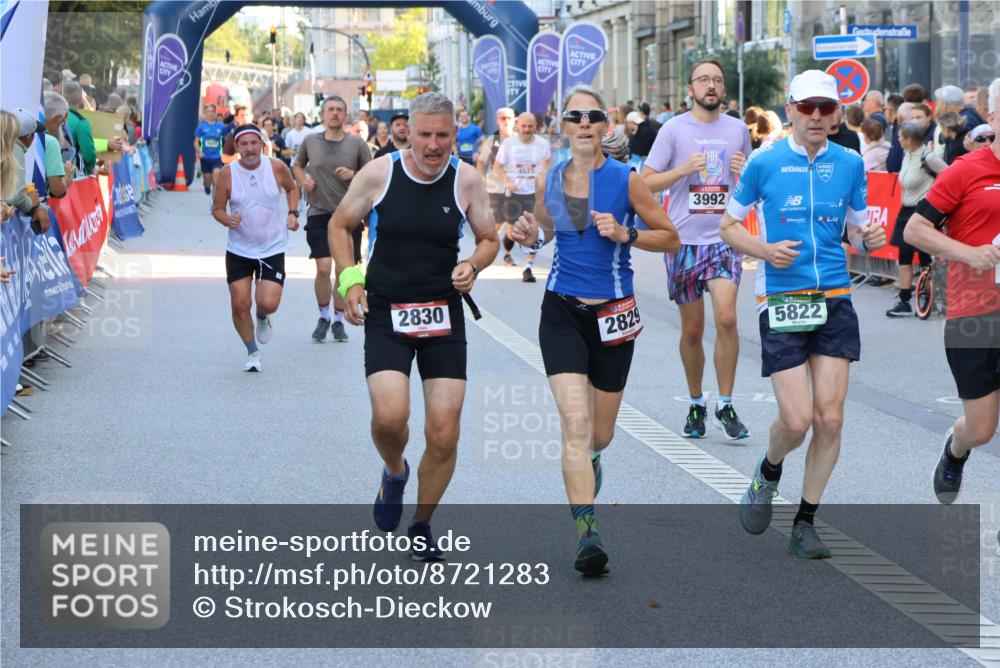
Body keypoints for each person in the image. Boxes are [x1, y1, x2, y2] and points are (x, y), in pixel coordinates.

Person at [510, 84, 680, 574]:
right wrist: (529, 235)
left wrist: (626, 233)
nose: (584, 124)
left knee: (600, 435)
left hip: (613, 314)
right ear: (563, 127)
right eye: (574, 117)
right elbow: (544, 229)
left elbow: (669, 237)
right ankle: (588, 532)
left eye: (593, 116)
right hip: (562, 309)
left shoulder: (626, 180)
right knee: (576, 426)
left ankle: (593, 460)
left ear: (606, 126)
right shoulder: (554, 175)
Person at [719, 70, 886, 559]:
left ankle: (805, 522)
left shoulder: (851, 163)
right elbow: (729, 228)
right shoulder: (763, 162)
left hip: (835, 297)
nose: (816, 116)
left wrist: (868, 240)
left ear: (837, 115)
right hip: (782, 298)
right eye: (807, 107)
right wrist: (766, 250)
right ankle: (769, 470)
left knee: (830, 419)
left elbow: (857, 231)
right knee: (796, 422)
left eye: (826, 108)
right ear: (789, 109)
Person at [330, 92, 499, 561]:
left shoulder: (466, 180)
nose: (433, 145)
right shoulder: (381, 173)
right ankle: (394, 470)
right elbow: (340, 226)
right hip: (387, 310)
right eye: (424, 134)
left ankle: (422, 523)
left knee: (444, 431)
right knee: (390, 419)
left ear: (454, 134)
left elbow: (488, 239)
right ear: (408, 131)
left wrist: (474, 265)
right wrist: (350, 281)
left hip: (443, 311)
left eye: (443, 135)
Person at [642, 59, 753, 440]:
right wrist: (683, 170)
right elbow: (647, 180)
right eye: (703, 80)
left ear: (724, 90)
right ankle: (696, 403)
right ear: (690, 88)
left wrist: (744, 168)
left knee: (726, 319)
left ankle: (725, 402)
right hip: (682, 241)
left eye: (717, 80)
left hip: (724, 238)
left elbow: (750, 185)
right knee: (692, 329)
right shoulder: (673, 130)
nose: (711, 86)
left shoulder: (738, 129)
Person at [904, 77, 1000, 505]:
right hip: (974, 315)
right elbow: (915, 229)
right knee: (981, 428)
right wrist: (969, 253)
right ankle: (956, 447)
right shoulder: (966, 170)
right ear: (992, 116)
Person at [212, 125, 300, 371]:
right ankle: (252, 352)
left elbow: (292, 189)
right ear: (236, 147)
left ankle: (263, 316)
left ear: (261, 144)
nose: (250, 149)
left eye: (254, 143)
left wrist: (293, 213)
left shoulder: (276, 167)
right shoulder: (228, 174)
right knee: (240, 305)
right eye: (244, 144)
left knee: (268, 303)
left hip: (272, 247)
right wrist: (226, 219)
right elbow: (217, 208)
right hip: (240, 249)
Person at [293, 96, 372, 343]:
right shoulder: (310, 141)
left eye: (340, 109)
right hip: (318, 212)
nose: (335, 113)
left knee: (343, 270)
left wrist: (354, 174)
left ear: (346, 115)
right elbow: (297, 165)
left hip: (348, 216)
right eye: (331, 110)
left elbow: (373, 177)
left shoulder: (357, 144)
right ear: (323, 115)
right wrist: (302, 180)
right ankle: (323, 315)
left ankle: (338, 320)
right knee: (323, 267)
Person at [885, 122, 948, 317]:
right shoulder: (907, 154)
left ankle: (930, 298)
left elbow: (950, 175)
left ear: (909, 140)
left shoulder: (927, 156)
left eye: (901, 137)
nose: (898, 140)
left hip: (924, 210)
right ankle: (904, 300)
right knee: (903, 255)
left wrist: (936, 196)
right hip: (906, 209)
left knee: (924, 257)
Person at [493, 111, 552, 282]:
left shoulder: (542, 144)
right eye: (523, 126)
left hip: (534, 194)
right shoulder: (509, 144)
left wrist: (543, 173)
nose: (526, 129)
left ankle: (528, 268)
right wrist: (506, 182)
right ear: (518, 126)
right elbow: (497, 166)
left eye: (530, 126)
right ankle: (508, 251)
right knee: (512, 232)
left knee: (532, 229)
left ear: (535, 126)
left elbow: (548, 161)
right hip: (514, 194)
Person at [476, 106, 516, 266]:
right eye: (502, 118)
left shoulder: (520, 139)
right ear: (498, 121)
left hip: (515, 186)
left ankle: (507, 254)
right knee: (499, 220)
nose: (506, 121)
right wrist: (482, 180)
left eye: (508, 118)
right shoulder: (492, 140)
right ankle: (484, 243)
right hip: (495, 186)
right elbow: (480, 161)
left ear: (514, 120)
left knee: (513, 221)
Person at [42, 92, 74, 197]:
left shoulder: (24, 134)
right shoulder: (51, 142)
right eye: (62, 121)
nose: (63, 124)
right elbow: (57, 190)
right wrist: (67, 178)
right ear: (56, 118)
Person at [61, 81, 96, 175]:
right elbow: (89, 153)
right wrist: (89, 169)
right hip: (73, 175)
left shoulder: (52, 116)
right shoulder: (81, 123)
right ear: (81, 100)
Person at [194, 104, 226, 195]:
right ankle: (206, 186)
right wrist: (199, 152)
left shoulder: (221, 126)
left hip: (217, 157)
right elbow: (196, 141)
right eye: (208, 112)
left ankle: (215, 203)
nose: (210, 113)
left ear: (215, 113)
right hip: (205, 157)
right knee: (208, 180)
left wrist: (226, 153)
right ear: (205, 114)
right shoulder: (201, 127)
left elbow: (227, 139)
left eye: (212, 111)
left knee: (216, 180)